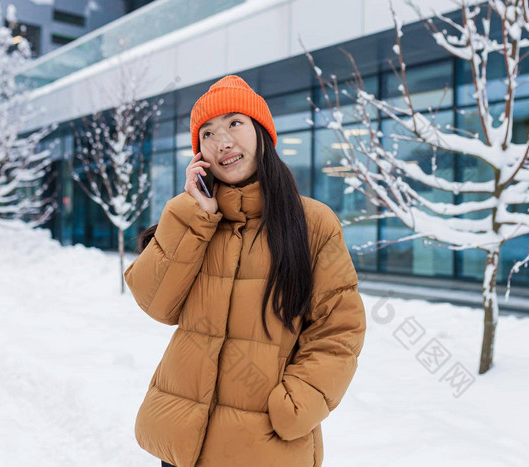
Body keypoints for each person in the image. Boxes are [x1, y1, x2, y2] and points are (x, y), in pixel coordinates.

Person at [124, 75, 366, 467]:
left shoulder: (313, 223)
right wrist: (194, 216)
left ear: (261, 132)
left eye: (235, 123)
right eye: (208, 133)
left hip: (262, 447)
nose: (223, 142)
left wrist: (295, 406)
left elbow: (339, 330)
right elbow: (156, 304)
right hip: (182, 442)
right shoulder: (193, 216)